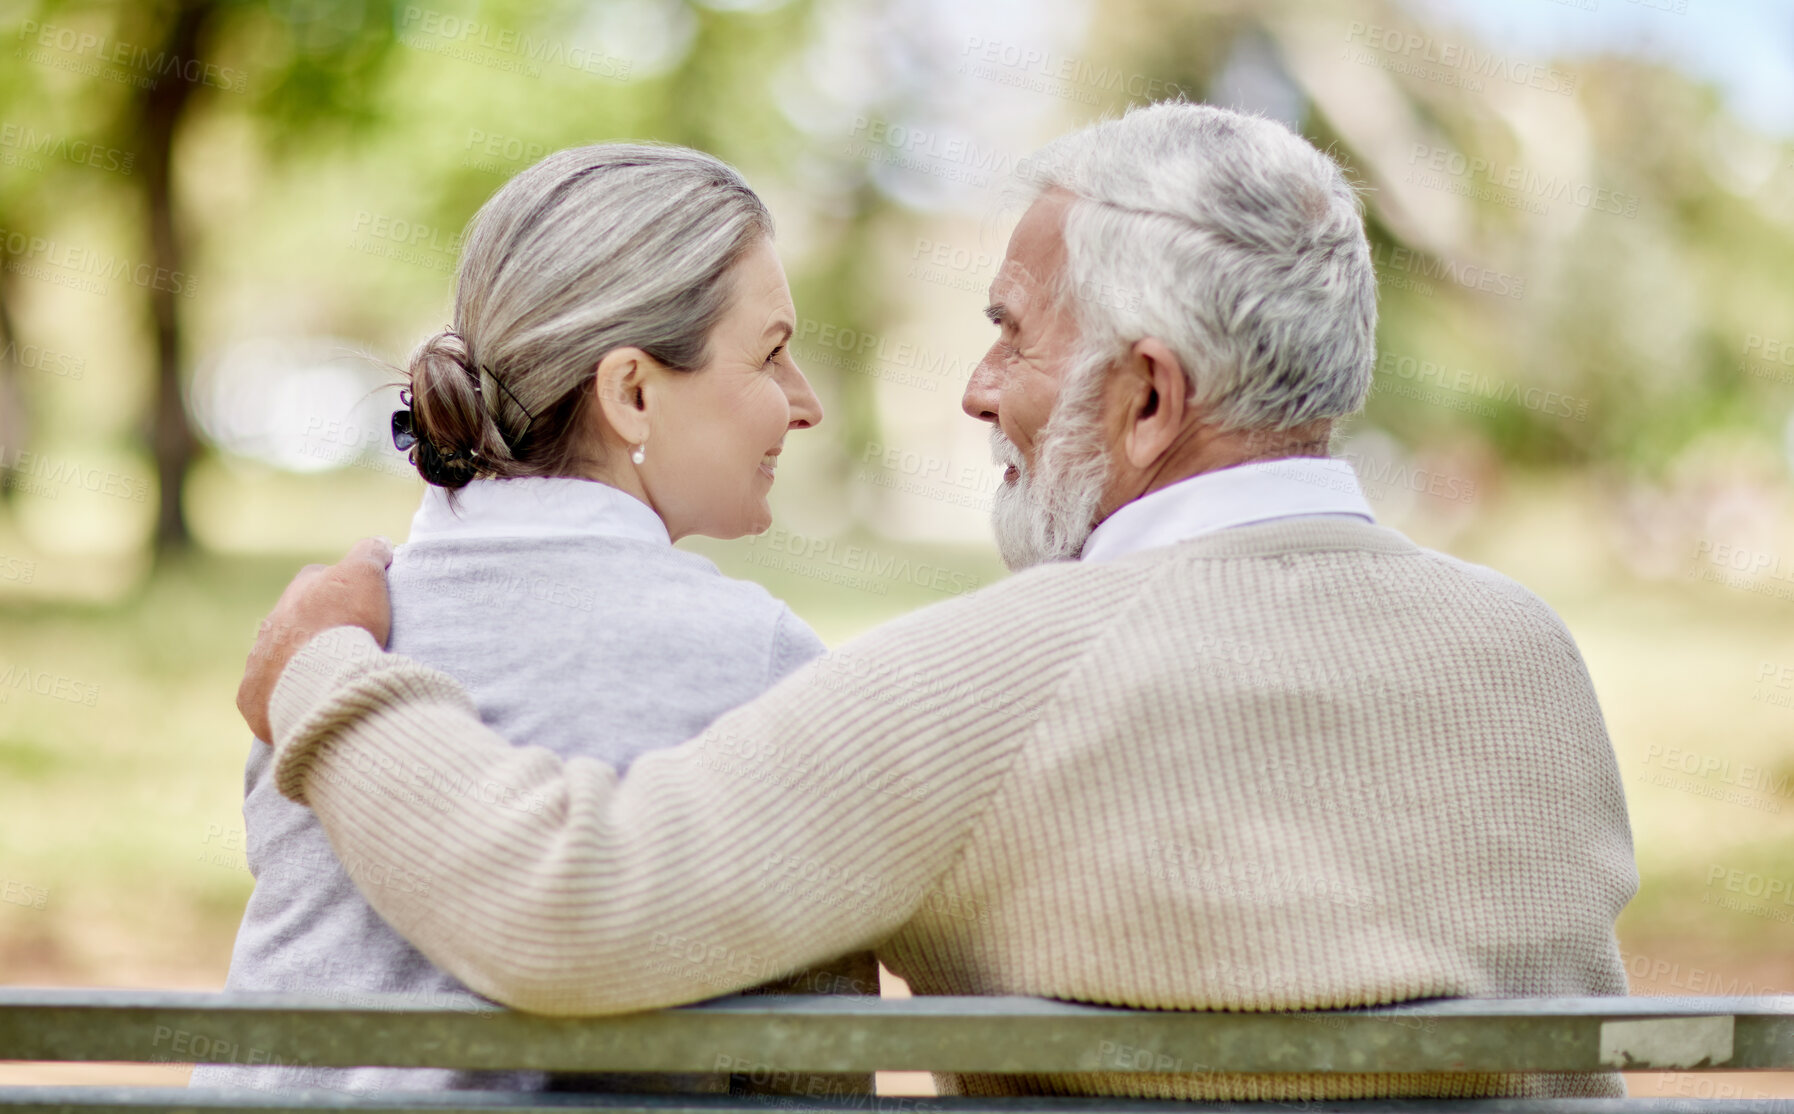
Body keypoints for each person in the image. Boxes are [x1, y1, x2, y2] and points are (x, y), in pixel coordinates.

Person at [236, 103, 1638, 1102]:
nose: (973, 390)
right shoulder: (1528, 653)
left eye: (1010, 335)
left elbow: (572, 906)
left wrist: (326, 669)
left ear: (1146, 398)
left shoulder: (997, 686)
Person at [194, 143, 873, 1095]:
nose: (803, 404)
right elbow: (813, 1076)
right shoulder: (759, 660)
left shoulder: (328, 638)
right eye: (771, 354)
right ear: (632, 392)